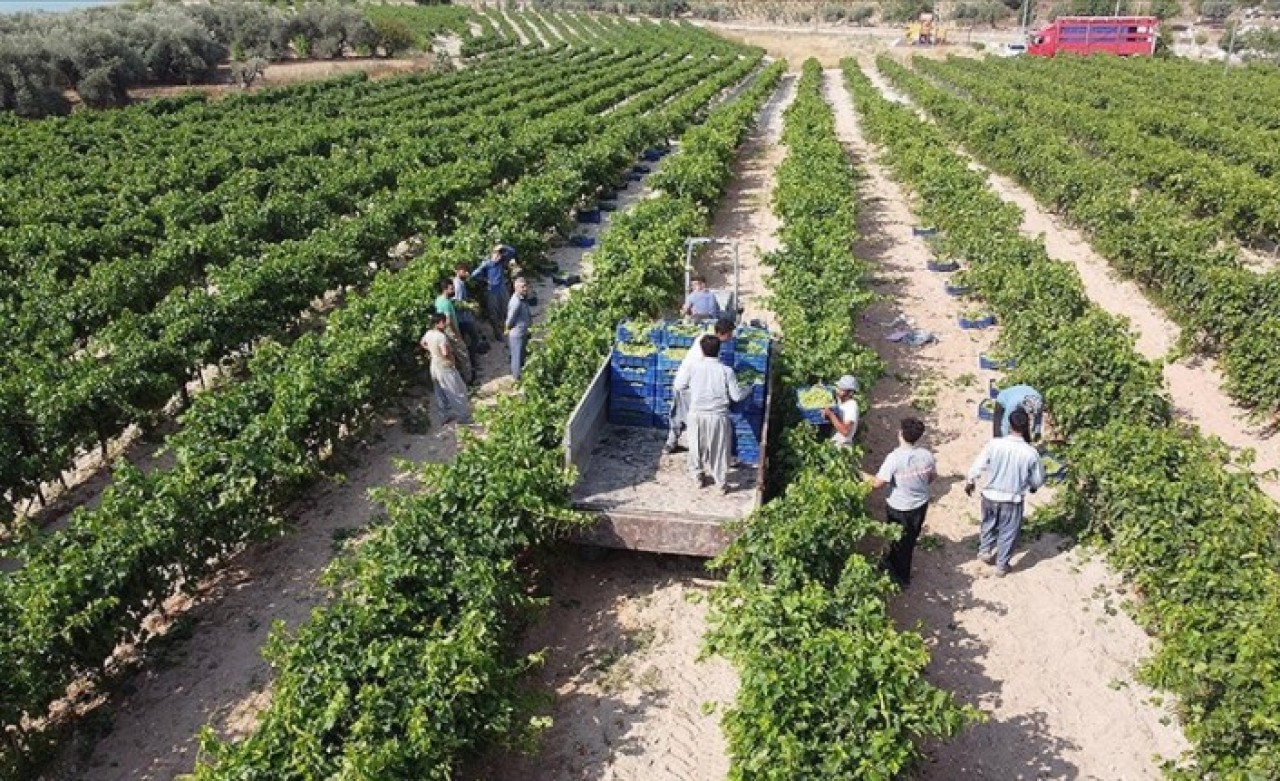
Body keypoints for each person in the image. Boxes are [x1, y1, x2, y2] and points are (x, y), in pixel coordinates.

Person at [965, 408, 1045, 577]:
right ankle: (1002, 565)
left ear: (1009, 425)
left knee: (988, 524)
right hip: (1012, 499)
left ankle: (985, 551)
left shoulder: (995, 444)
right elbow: (1038, 480)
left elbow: (978, 465)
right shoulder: (1030, 452)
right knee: (1008, 532)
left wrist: (970, 480)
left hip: (990, 495)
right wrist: (1032, 486)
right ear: (1025, 427)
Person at [867, 417, 937, 587]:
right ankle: (892, 561)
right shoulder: (926, 455)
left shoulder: (894, 458)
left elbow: (877, 483)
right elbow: (932, 477)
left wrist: (860, 474)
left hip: (900, 508)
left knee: (900, 542)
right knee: (909, 538)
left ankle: (901, 578)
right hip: (920, 505)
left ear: (901, 434)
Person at [674, 334, 745, 494]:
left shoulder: (693, 368)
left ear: (702, 350)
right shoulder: (726, 371)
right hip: (718, 415)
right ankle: (720, 483)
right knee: (719, 449)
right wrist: (749, 389)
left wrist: (694, 392)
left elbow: (679, 386)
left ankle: (698, 476)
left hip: (697, 413)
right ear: (719, 350)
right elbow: (736, 396)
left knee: (695, 447)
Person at [665, 318, 735, 454]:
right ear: (723, 333)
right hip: (688, 386)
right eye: (730, 334)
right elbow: (708, 369)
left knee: (678, 414)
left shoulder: (705, 338)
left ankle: (671, 444)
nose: (731, 337)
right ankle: (700, 453)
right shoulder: (710, 345)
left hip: (682, 382)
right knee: (693, 419)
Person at [420, 312, 472, 424]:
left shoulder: (429, 333)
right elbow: (444, 352)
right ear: (437, 324)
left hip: (434, 364)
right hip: (445, 366)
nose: (445, 324)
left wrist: (431, 350)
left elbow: (422, 343)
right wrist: (450, 358)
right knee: (456, 390)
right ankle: (463, 417)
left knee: (440, 392)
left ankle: (444, 415)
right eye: (443, 322)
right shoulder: (441, 337)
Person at [434, 280, 475, 385]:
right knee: (463, 353)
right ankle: (469, 379)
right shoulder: (446, 303)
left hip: (444, 331)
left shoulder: (438, 300)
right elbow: (449, 321)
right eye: (451, 288)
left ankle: (461, 378)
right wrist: (457, 334)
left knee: (454, 355)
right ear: (445, 289)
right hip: (451, 331)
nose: (453, 290)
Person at [471, 244, 514, 340]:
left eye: (499, 256)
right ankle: (498, 334)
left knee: (507, 309)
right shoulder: (487, 264)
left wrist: (502, 246)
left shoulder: (502, 262)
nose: (498, 258)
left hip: (502, 289)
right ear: (491, 255)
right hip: (491, 291)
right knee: (493, 313)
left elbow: (512, 251)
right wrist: (485, 280)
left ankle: (508, 329)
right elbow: (474, 275)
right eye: (496, 255)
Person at [452, 263, 486, 355]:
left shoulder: (461, 282)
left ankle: (472, 359)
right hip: (463, 318)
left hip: (464, 317)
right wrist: (470, 306)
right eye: (463, 271)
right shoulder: (458, 285)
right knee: (474, 338)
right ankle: (472, 359)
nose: (466, 273)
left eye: (466, 271)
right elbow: (458, 303)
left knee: (469, 338)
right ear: (457, 272)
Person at [505, 276, 532, 381]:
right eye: (522, 287)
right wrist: (508, 329)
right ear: (516, 288)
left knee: (522, 356)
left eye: (526, 286)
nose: (525, 288)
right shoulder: (515, 302)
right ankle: (517, 379)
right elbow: (510, 319)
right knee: (516, 357)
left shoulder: (522, 298)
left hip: (524, 331)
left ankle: (521, 375)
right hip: (517, 334)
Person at [824, 375, 860, 446]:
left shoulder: (852, 406)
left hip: (842, 447)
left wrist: (830, 414)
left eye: (841, 389)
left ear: (850, 393)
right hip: (834, 444)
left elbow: (845, 431)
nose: (838, 390)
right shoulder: (841, 401)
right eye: (839, 387)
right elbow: (832, 389)